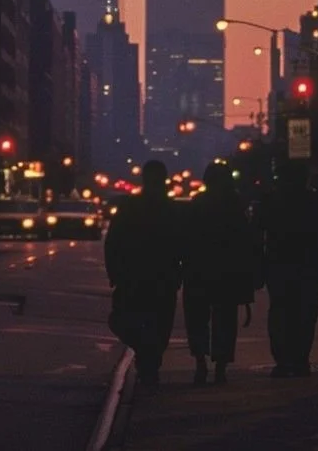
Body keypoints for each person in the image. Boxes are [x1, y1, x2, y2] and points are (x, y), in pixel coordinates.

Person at [104, 159, 182, 390]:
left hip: (141, 277)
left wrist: (115, 272)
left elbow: (113, 241)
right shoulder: (168, 209)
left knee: (139, 321)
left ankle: (148, 361)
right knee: (154, 324)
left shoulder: (138, 207)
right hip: (152, 278)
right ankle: (149, 360)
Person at [181, 162, 259, 386]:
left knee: (197, 319)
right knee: (225, 320)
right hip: (227, 273)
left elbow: (185, 237)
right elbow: (248, 242)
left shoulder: (198, 204)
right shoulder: (236, 206)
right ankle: (220, 367)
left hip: (199, 270)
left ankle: (201, 363)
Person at [258, 161, 318, 378]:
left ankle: (283, 360)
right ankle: (300, 359)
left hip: (278, 264)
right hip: (309, 265)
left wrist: (259, 266)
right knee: (306, 314)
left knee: (280, 313)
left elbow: (256, 234)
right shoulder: (315, 201)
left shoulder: (270, 201)